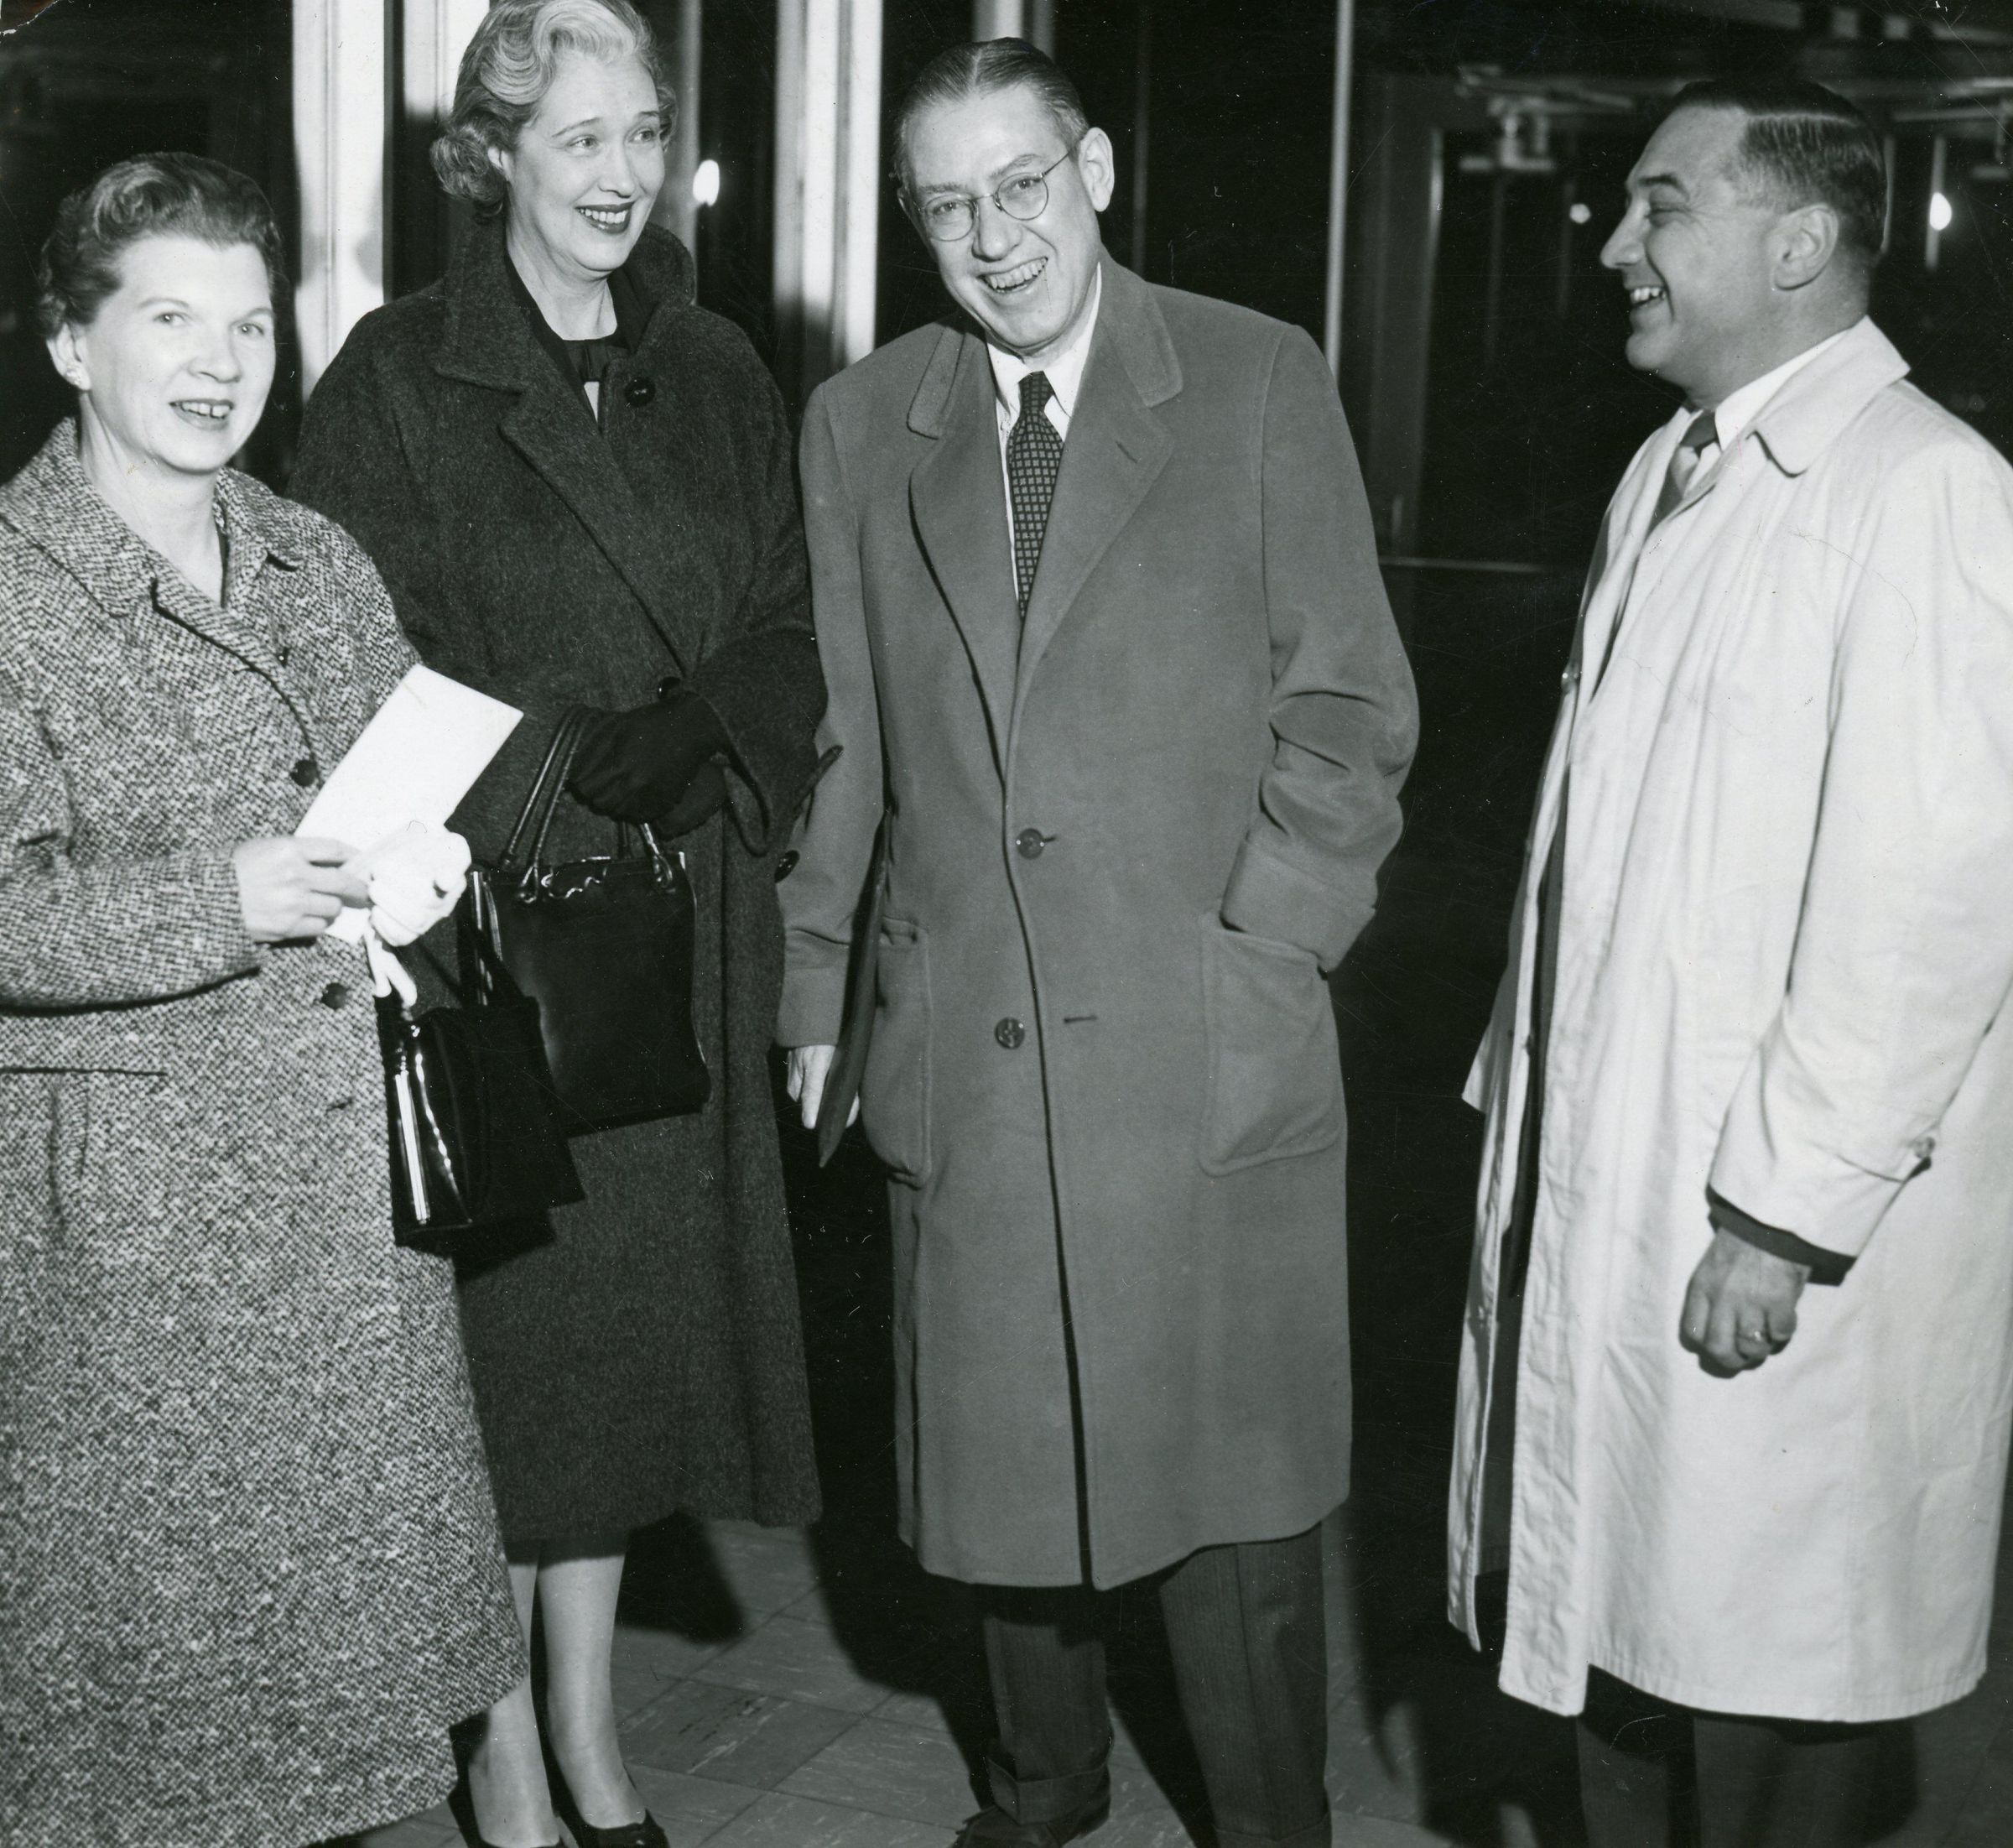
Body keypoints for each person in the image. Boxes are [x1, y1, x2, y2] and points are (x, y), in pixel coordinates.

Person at [781, 39, 1417, 1848]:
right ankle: (1041, 1791)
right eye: (948, 207)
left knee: (1232, 1491)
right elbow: (844, 741)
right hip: (969, 1024)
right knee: (1001, 1463)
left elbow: (1350, 714)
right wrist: (816, 983)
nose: (994, 239)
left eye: (1023, 186)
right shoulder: (863, 422)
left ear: (1100, 171)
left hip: (1199, 1026)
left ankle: (1269, 1822)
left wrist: (1271, 946)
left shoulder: (1254, 376)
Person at [1449, 76, 2013, 1847]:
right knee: (1627, 1646)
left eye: (1661, 205)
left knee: (1771, 1689)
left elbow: (1929, 911)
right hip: (1619, 1179)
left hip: (1766, 1231)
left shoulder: (1930, 494)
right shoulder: (1670, 469)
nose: (1614, 244)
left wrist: (1784, 1215)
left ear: (1797, 241)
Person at [289, 4, 824, 1845]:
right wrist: (558, 768)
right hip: (500, 931)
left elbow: (790, 604)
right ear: (494, 154)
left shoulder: (715, 363)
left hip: (685, 914)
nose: (622, 174)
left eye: (643, 132)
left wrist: (718, 721)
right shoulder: (397, 376)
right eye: (579, 137)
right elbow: (346, 649)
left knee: (627, 1370)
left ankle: (587, 1718)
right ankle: (502, 1747)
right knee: (521, 1364)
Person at [0, 153, 521, 1848]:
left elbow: (399, 792)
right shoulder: (13, 587)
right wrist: (209, 901)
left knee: (345, 1698)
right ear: (71, 344)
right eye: (170, 320)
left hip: (345, 1207)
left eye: (248, 324)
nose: (220, 363)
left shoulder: (314, 558)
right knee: (149, 1720)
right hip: (131, 1239)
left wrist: (427, 870)